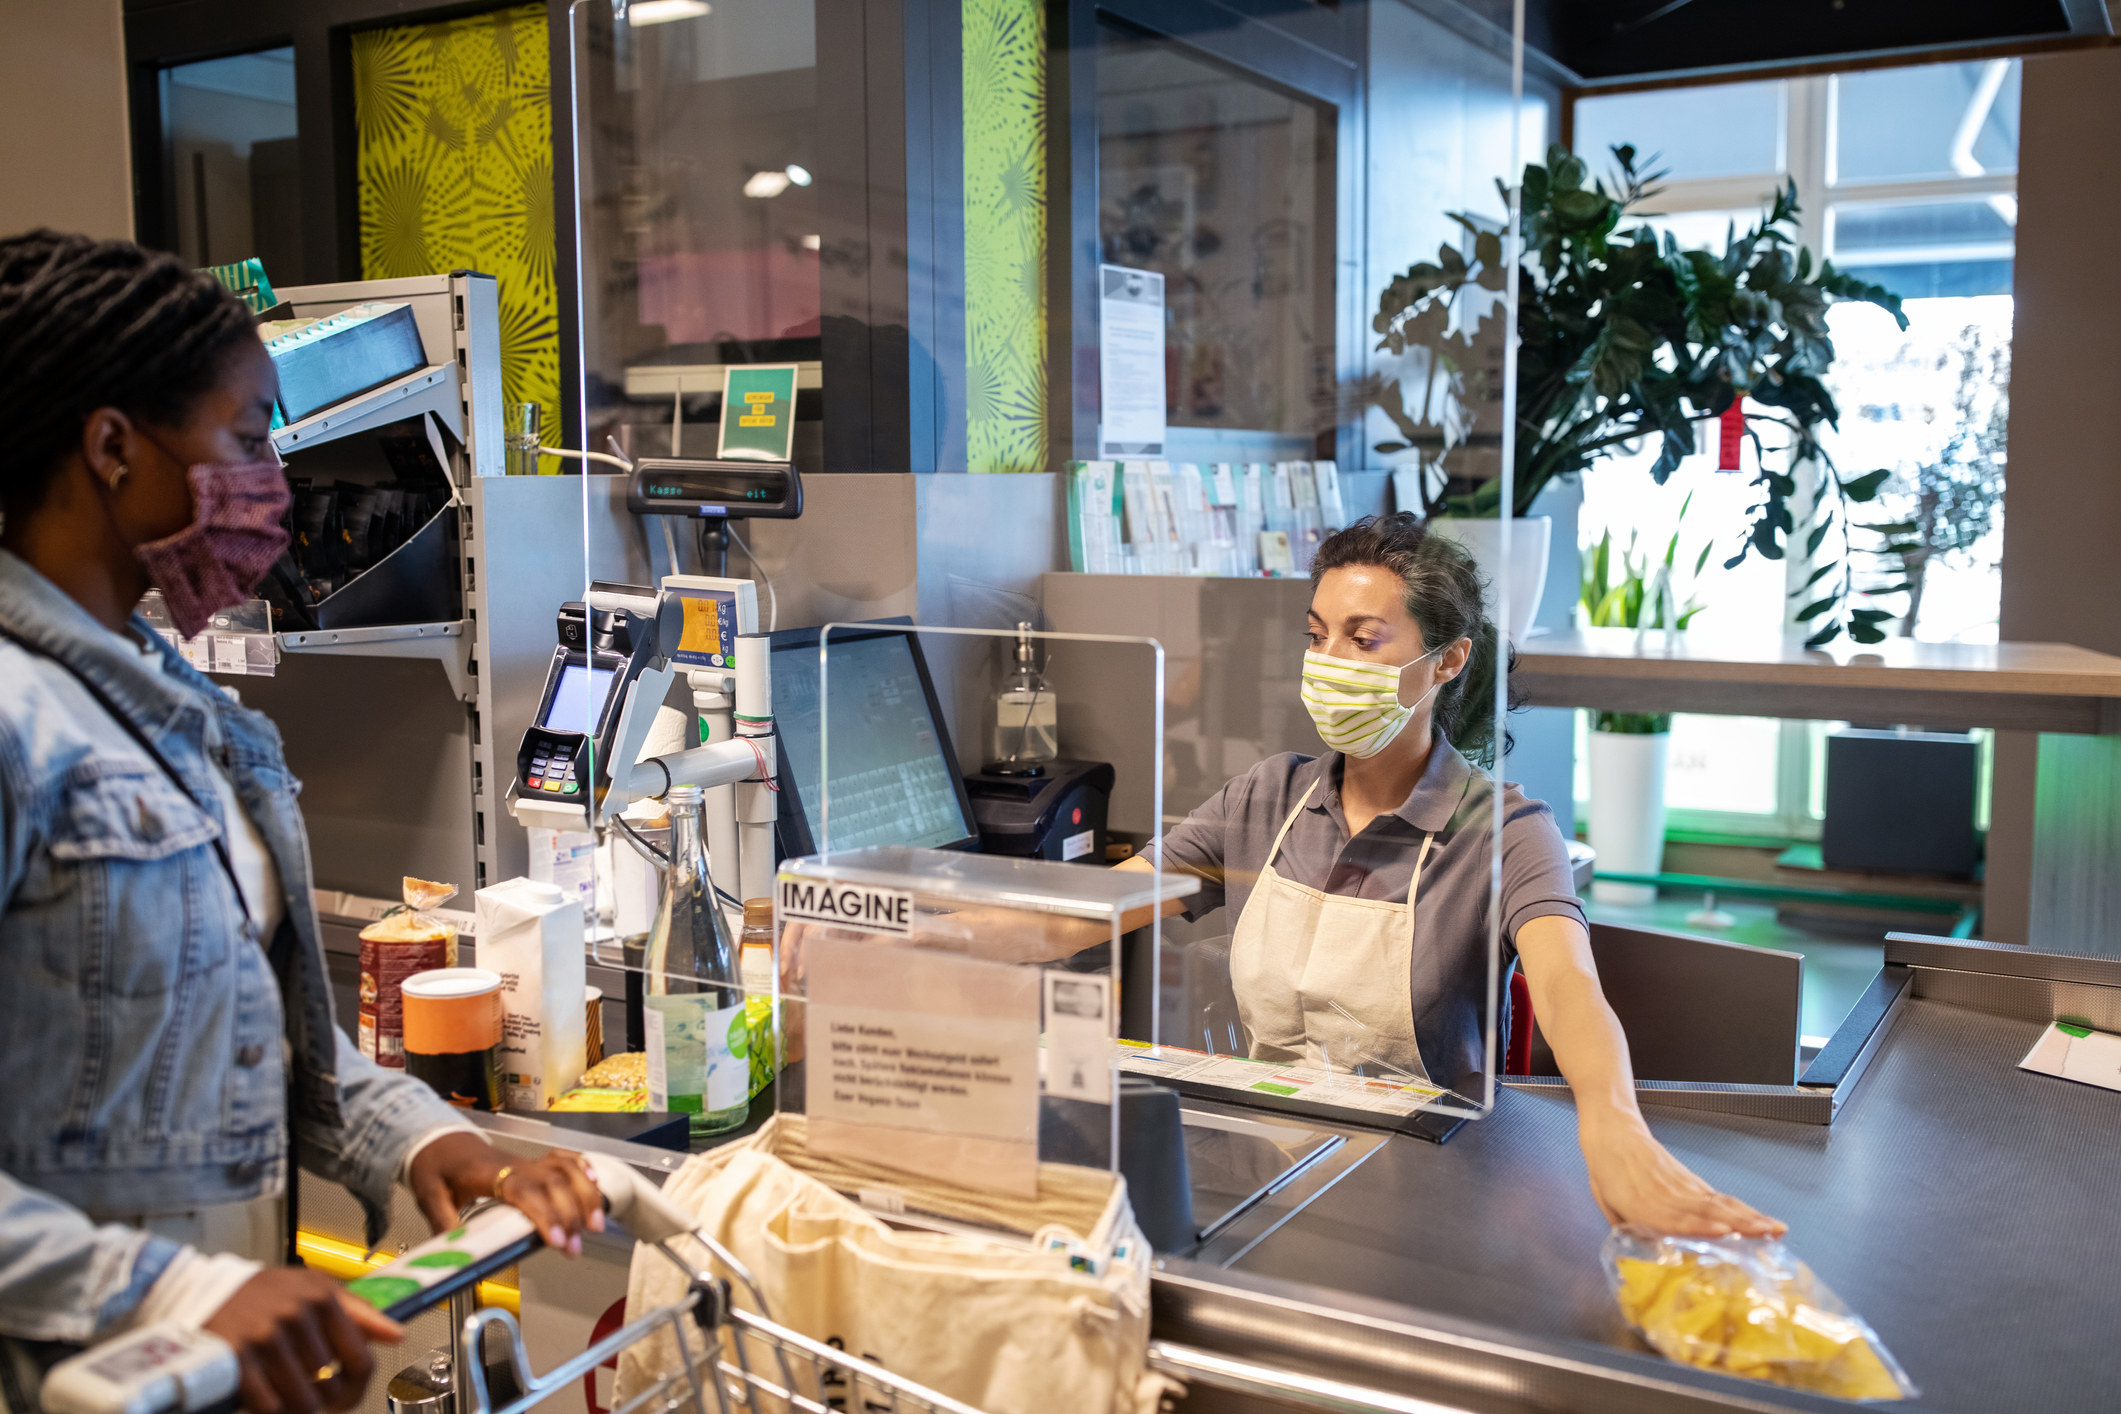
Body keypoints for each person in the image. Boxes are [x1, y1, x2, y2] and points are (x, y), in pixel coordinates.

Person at [0, 233, 603, 1414]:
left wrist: (429, 1142)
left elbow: (249, 1039)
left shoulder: (168, 707)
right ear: (113, 447)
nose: (274, 478)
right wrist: (161, 1290)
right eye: (243, 435)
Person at [1122, 515, 1782, 1236]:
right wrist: (983, 924)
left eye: (1363, 638)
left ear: (1445, 661)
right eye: (1317, 637)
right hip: (1262, 1188)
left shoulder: (1505, 832)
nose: (1328, 660)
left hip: (1429, 1205)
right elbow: (1099, 904)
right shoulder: (1265, 797)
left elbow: (1567, 988)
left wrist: (1614, 1127)